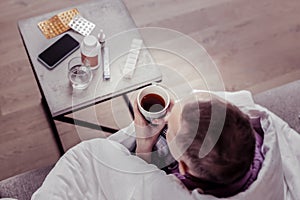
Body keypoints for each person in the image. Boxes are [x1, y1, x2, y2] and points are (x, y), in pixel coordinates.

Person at [133, 92, 264, 198]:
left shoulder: (176, 188)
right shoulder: (248, 141)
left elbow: (142, 186)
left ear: (183, 167)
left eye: (170, 130)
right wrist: (180, 114)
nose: (165, 119)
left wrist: (143, 145)